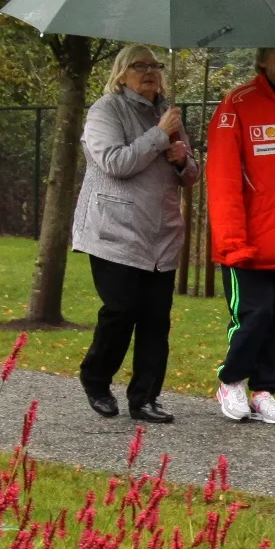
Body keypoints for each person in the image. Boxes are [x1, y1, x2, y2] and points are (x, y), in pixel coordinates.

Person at [72, 44, 201, 423]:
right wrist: (160, 136)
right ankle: (96, 380)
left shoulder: (167, 113)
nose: (149, 72)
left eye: (154, 65)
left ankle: (145, 398)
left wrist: (183, 160)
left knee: (156, 319)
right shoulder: (105, 111)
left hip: (161, 234)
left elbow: (191, 176)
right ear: (122, 73)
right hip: (114, 232)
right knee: (121, 310)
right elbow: (115, 163)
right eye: (139, 66)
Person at [206, 46, 275, 423]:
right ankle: (231, 381)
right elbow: (222, 179)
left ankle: (264, 390)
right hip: (248, 243)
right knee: (253, 315)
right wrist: (232, 242)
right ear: (262, 60)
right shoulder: (237, 105)